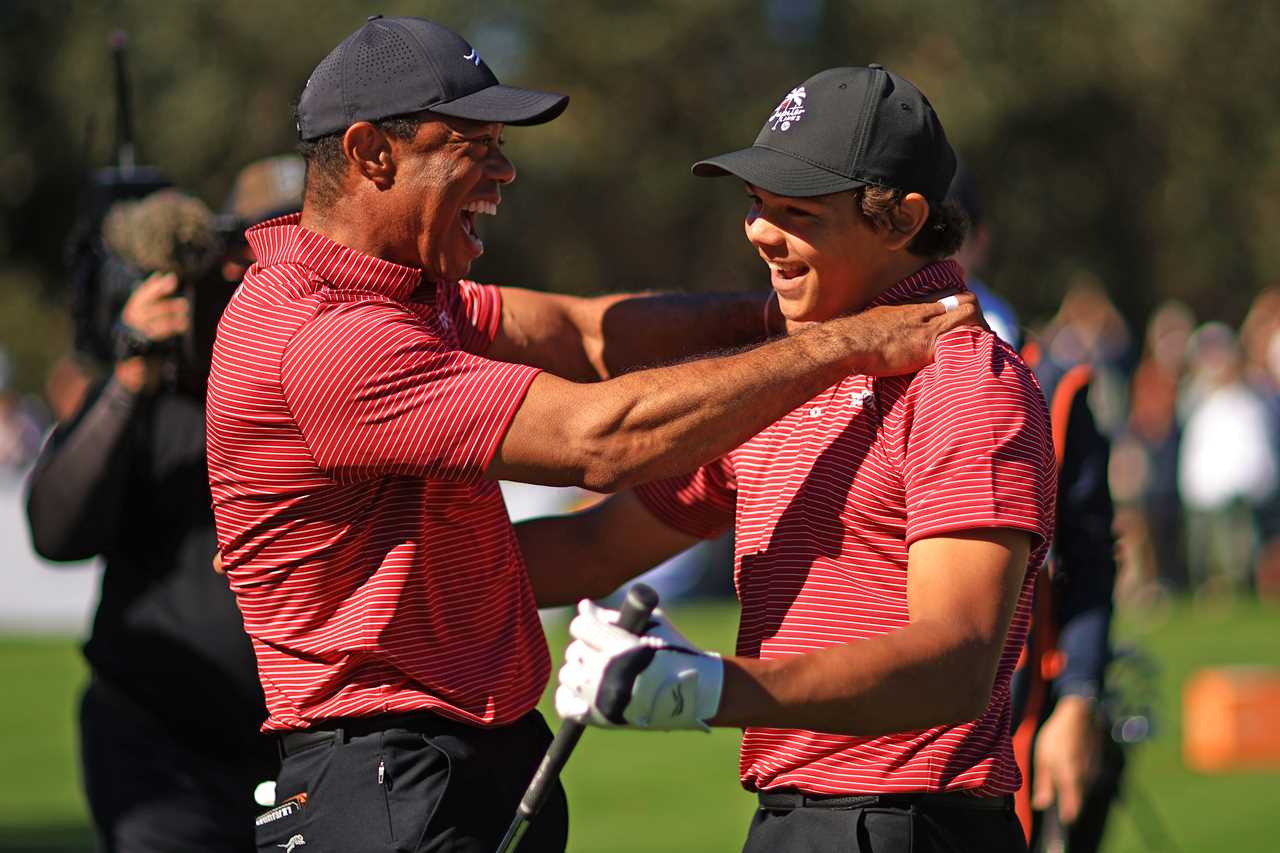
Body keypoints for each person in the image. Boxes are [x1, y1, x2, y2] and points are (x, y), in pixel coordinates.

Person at [206, 19, 981, 853]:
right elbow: (597, 441)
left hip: (438, 768)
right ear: (370, 154)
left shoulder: (406, 293)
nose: (504, 171)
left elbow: (586, 334)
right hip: (388, 783)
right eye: (473, 144)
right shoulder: (330, 337)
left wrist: (791, 307)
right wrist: (844, 341)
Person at [550, 66, 1056, 853]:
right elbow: (593, 548)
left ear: (902, 219)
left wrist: (710, 686)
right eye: (756, 204)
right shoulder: (796, 371)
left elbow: (957, 658)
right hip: (798, 817)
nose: (758, 231)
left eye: (796, 212)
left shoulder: (967, 382)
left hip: (908, 823)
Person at [24, 165, 299, 852]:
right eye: (258, 246)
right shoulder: (159, 385)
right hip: (161, 751)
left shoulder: (333, 381)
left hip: (306, 755)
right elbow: (56, 530)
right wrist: (132, 375)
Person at [951, 161, 1123, 852]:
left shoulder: (1052, 380)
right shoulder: (853, 367)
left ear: (979, 239)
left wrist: (1079, 695)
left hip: (1021, 716)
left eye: (949, 229)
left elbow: (1088, 558)